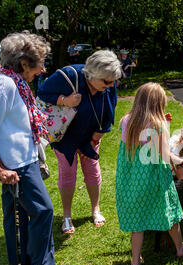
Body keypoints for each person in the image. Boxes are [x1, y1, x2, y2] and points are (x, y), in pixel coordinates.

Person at [0, 31, 73, 265]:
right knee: (43, 211)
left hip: (18, 160)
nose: (42, 69)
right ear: (24, 63)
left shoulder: (8, 80)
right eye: (39, 63)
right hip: (17, 164)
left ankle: (21, 261)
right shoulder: (5, 84)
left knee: (18, 214)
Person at [37, 50, 121, 234]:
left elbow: (111, 107)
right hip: (65, 138)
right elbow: (42, 93)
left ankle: (95, 209)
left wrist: (98, 135)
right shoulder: (68, 75)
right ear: (92, 74)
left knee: (92, 170)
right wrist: (64, 100)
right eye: (106, 82)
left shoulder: (108, 83)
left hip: (91, 137)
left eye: (113, 81)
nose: (111, 85)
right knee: (67, 173)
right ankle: (67, 216)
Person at [115, 82, 183, 265]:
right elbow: (164, 154)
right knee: (169, 212)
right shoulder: (157, 125)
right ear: (158, 104)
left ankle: (134, 261)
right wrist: (178, 158)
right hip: (155, 179)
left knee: (137, 220)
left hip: (132, 180)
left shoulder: (126, 120)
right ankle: (179, 247)